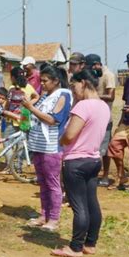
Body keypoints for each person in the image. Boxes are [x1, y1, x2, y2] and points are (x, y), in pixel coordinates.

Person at [51, 70, 110, 257]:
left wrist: (60, 140)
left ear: (83, 82)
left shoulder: (83, 106)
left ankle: (75, 247)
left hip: (76, 161)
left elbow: (69, 136)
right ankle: (90, 243)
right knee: (92, 202)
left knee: (79, 206)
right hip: (93, 159)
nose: (72, 90)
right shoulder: (103, 106)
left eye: (73, 85)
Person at [23, 65, 72, 232]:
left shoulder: (63, 95)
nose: (42, 84)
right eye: (41, 80)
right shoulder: (46, 96)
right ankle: (43, 214)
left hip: (51, 146)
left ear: (56, 81)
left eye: (45, 81)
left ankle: (54, 218)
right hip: (38, 144)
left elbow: (53, 120)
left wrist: (31, 108)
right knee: (42, 182)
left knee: (52, 183)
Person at [83, 54, 116, 187]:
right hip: (92, 117)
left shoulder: (108, 75)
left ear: (97, 64)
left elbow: (111, 96)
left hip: (105, 118)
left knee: (105, 149)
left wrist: (93, 96)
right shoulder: (93, 75)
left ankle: (106, 176)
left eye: (90, 66)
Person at [107, 51, 129, 191]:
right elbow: (125, 102)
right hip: (127, 121)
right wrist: (120, 121)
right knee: (114, 146)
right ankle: (121, 176)